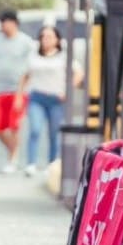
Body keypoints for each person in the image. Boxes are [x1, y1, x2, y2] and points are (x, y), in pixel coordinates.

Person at [15, 25, 83, 176]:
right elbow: (25, 76)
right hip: (37, 97)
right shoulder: (34, 55)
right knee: (35, 129)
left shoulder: (64, 56)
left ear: (57, 39)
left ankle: (51, 163)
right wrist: (19, 95)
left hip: (56, 99)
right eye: (43, 37)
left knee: (54, 133)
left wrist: (68, 90)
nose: (46, 40)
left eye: (50, 37)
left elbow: (79, 73)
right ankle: (31, 164)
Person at [0, 10, 35, 173]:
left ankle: (13, 158)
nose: (3, 26)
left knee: (13, 126)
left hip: (17, 90)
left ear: (14, 23)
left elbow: (29, 69)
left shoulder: (25, 42)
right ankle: (12, 151)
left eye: (6, 22)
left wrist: (20, 93)